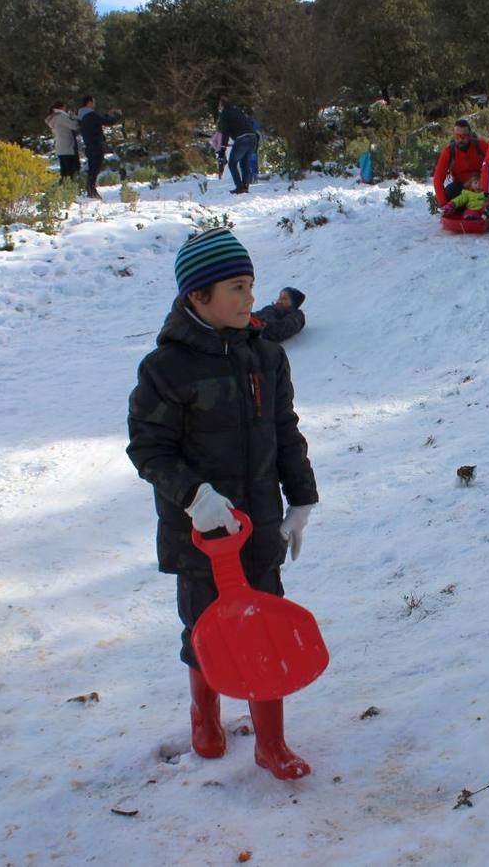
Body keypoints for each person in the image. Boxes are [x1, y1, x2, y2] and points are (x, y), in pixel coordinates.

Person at [126, 227, 319, 780]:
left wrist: (301, 497)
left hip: (257, 526)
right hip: (201, 537)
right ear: (198, 297)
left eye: (251, 285)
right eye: (235, 287)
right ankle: (205, 721)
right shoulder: (166, 369)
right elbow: (148, 447)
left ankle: (270, 742)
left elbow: (285, 429)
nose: (248, 298)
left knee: (265, 630)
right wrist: (194, 496)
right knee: (205, 630)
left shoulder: (267, 357)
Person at [432, 119, 487, 208]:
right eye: (457, 136)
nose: (461, 139)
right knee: (449, 192)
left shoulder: (480, 146)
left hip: (480, 187)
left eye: (464, 136)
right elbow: (438, 178)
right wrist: (443, 203)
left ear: (469, 135)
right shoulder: (449, 152)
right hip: (460, 190)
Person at [78, 95, 122, 200]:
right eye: (93, 102)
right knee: (95, 168)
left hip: (88, 145)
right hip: (96, 145)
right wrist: (117, 115)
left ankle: (90, 190)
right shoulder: (91, 115)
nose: (94, 104)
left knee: (92, 168)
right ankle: (92, 190)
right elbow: (108, 122)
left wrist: (107, 115)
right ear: (89, 103)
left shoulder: (81, 116)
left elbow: (99, 120)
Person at [217, 96, 260, 194]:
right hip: (253, 137)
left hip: (242, 139)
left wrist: (222, 150)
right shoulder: (238, 111)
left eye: (219, 105)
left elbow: (225, 132)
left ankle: (239, 186)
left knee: (232, 163)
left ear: (222, 105)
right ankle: (245, 186)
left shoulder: (224, 114)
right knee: (244, 164)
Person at [45, 102, 81, 182]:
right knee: (71, 171)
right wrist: (75, 118)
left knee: (64, 171)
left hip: (60, 146)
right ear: (62, 107)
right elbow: (74, 126)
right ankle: (69, 188)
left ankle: (62, 189)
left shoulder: (53, 117)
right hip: (68, 146)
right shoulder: (62, 116)